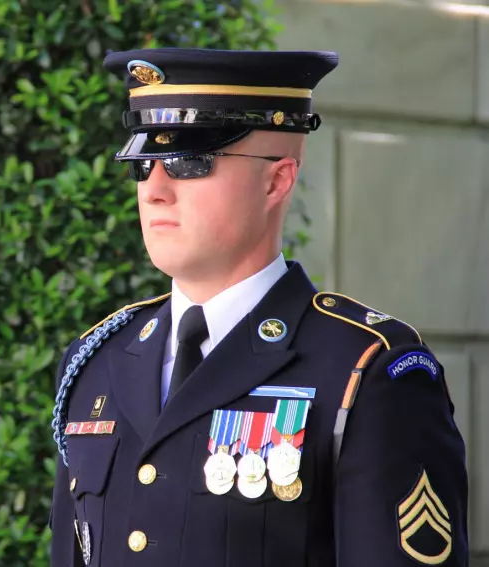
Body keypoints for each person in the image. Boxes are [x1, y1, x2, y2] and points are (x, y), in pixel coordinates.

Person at [48, 48, 468, 567]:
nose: (154, 190)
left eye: (188, 162)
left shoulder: (368, 370)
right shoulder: (96, 361)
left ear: (277, 179)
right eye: (143, 165)